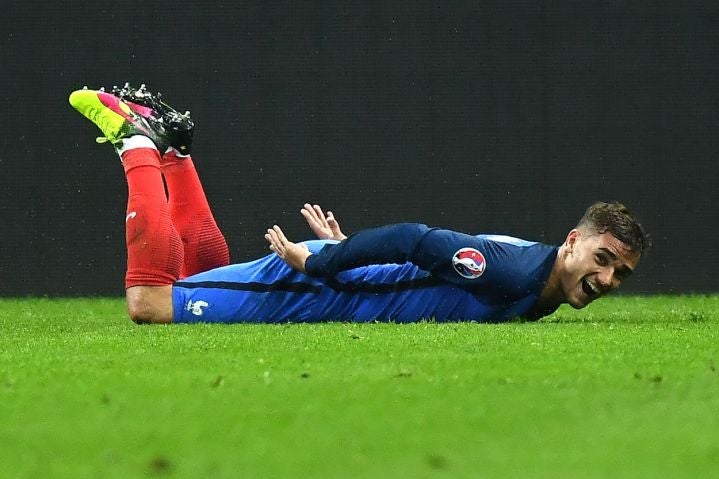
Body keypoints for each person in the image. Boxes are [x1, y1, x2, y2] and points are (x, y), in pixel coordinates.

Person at [69, 84, 649, 324]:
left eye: (620, 272)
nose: (608, 277)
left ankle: (174, 147)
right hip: (314, 289)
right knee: (149, 302)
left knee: (198, 274)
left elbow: (417, 269)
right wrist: (320, 262)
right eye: (603, 258)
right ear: (573, 241)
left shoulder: (542, 280)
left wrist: (344, 251)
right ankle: (138, 143)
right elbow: (414, 240)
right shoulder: (518, 269)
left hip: (339, 276)